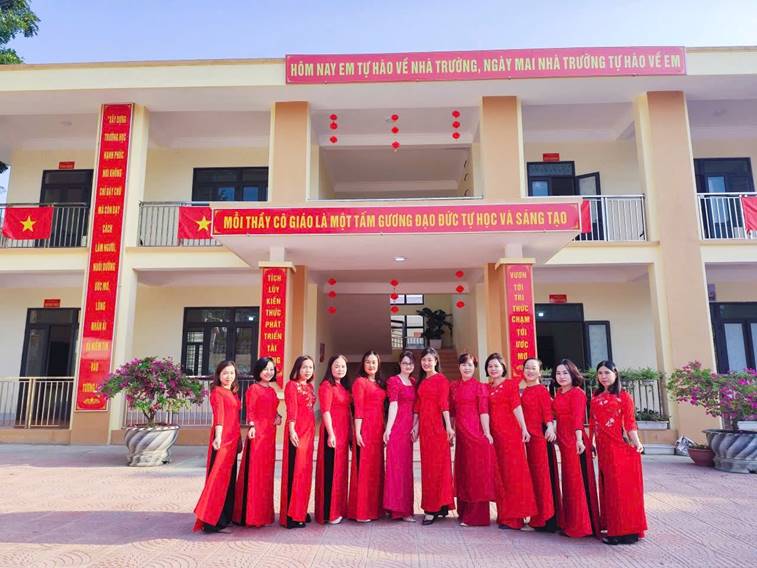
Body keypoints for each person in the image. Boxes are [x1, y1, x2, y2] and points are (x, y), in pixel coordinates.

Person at [590, 360, 647, 545]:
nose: (603, 376)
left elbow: (629, 422)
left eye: (607, 372)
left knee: (621, 490)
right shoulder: (596, 396)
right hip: (603, 449)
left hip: (619, 448)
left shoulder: (623, 396)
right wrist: (591, 442)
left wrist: (637, 442)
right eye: (600, 373)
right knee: (609, 489)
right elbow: (593, 422)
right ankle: (613, 527)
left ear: (615, 374)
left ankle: (625, 532)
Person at [486, 353, 537, 530]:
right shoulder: (487, 388)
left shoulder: (510, 385)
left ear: (503, 368)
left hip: (510, 435)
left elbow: (516, 406)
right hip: (495, 436)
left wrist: (524, 428)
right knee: (500, 475)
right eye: (490, 366)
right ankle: (504, 515)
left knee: (513, 474)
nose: (493, 369)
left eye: (496, 366)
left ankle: (516, 518)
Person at [552, 358, 600, 538]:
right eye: (558, 373)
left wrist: (579, 440)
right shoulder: (559, 393)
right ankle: (571, 522)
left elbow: (578, 419)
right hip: (563, 442)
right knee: (569, 483)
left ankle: (581, 526)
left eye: (565, 373)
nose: (561, 376)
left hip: (575, 442)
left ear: (573, 374)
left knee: (576, 483)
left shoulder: (577, 393)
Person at [193, 360, 242, 533]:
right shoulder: (217, 392)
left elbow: (235, 419)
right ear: (219, 375)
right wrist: (218, 437)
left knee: (229, 481)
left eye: (232, 373)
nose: (229, 376)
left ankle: (225, 518)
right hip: (223, 441)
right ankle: (212, 523)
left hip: (233, 441)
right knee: (218, 481)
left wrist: (239, 439)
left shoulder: (233, 393)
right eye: (225, 373)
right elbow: (219, 416)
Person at [233, 357, 281, 528]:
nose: (269, 372)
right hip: (258, 433)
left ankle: (263, 514)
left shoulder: (272, 391)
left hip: (270, 435)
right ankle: (251, 515)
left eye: (271, 369)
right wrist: (251, 426)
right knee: (255, 472)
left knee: (266, 474)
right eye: (265, 369)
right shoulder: (253, 388)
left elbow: (273, 410)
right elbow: (251, 410)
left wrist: (278, 416)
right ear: (259, 370)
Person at [450, 353, 497, 527]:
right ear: (459, 366)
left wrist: (487, 432)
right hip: (462, 438)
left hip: (476, 435)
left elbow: (484, 411)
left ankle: (476, 517)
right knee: (464, 473)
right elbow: (453, 412)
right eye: (463, 364)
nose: (467, 368)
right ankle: (464, 512)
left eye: (470, 364)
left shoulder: (480, 387)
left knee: (475, 475)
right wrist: (451, 431)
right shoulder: (454, 386)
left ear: (475, 367)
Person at [414, 347, 455, 525]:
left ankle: (432, 509)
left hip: (437, 428)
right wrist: (415, 426)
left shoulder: (442, 380)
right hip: (425, 429)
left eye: (430, 360)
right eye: (424, 360)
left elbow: (444, 404)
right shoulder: (422, 382)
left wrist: (449, 428)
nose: (426, 363)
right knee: (428, 468)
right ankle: (440, 506)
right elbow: (418, 406)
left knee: (438, 468)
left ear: (436, 361)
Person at [520, 357, 561, 532]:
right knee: (532, 479)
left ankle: (544, 520)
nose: (529, 371)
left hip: (539, 441)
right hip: (527, 441)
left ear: (539, 372)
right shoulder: (523, 391)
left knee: (541, 479)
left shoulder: (542, 391)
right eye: (527, 368)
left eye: (533, 368)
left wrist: (550, 428)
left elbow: (547, 413)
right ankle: (536, 516)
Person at [348, 350, 387, 522]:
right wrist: (357, 432)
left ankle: (375, 509)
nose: (371, 365)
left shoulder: (380, 383)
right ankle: (362, 511)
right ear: (363, 364)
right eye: (368, 362)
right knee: (364, 469)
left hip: (378, 429)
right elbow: (358, 408)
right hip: (365, 429)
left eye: (374, 362)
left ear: (378, 365)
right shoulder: (360, 382)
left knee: (376, 469)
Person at [279, 355, 316, 528]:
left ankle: (300, 510)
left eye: (310, 367)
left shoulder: (309, 386)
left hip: (309, 432)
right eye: (304, 367)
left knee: (305, 472)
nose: (307, 370)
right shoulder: (291, 385)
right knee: (296, 471)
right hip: (297, 432)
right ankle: (291, 516)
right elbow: (291, 408)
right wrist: (292, 429)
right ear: (297, 369)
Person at [315, 354, 352, 525]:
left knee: (340, 473)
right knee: (330, 472)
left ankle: (339, 509)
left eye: (343, 366)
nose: (340, 369)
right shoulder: (326, 386)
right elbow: (326, 411)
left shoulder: (343, 387)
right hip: (333, 434)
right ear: (330, 368)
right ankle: (329, 513)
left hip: (343, 435)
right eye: (337, 366)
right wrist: (331, 434)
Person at [383, 350, 418, 522]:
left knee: (406, 469)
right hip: (397, 429)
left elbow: (417, 408)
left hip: (408, 429)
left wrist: (416, 426)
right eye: (404, 363)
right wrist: (388, 429)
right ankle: (396, 509)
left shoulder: (413, 382)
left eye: (410, 363)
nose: (407, 366)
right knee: (396, 468)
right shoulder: (393, 381)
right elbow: (393, 405)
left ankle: (405, 509)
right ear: (399, 364)